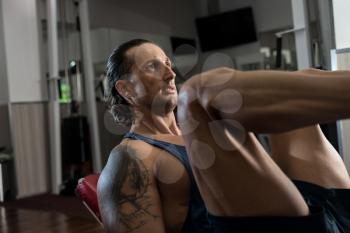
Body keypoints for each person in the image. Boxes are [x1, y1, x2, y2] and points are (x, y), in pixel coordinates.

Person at [97, 39, 350, 233]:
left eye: (167, 63)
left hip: (328, 215)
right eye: (153, 66)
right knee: (198, 93)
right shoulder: (128, 158)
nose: (171, 74)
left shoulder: (202, 131)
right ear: (126, 89)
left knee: (299, 86)